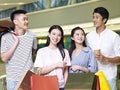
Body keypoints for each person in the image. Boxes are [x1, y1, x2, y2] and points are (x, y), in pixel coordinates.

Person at [0, 10, 37, 90]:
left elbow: (32, 52)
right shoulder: (6, 37)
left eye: (27, 19)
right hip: (13, 79)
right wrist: (16, 43)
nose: (26, 21)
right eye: (24, 19)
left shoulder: (32, 36)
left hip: (28, 78)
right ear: (15, 21)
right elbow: (4, 58)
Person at [86, 7, 120, 90]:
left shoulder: (114, 36)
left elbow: (119, 58)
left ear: (104, 20)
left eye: (97, 17)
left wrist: (106, 59)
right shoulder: (88, 37)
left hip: (109, 77)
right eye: (93, 17)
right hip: (93, 77)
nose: (94, 20)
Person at [34, 25, 71, 90]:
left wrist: (64, 84)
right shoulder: (41, 51)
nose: (56, 37)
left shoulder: (65, 52)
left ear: (61, 37)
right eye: (53, 34)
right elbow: (39, 71)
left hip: (61, 86)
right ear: (49, 34)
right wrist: (56, 65)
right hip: (46, 86)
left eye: (59, 35)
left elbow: (66, 71)